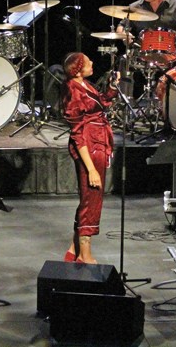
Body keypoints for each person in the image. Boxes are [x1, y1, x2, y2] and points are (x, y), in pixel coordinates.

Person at [62, 52, 120, 264]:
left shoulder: (85, 85)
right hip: (89, 146)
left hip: (98, 141)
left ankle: (74, 248)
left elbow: (101, 104)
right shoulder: (72, 90)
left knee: (90, 198)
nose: (92, 62)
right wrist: (91, 169)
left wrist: (112, 88)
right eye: (88, 62)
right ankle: (84, 253)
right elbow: (77, 133)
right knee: (91, 199)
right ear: (77, 69)